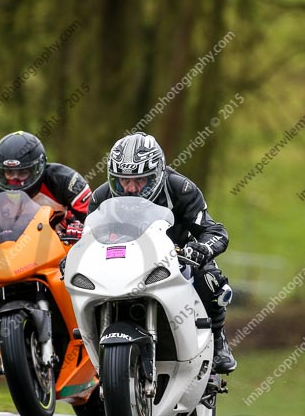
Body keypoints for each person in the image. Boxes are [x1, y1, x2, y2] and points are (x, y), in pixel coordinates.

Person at [88, 133, 237, 374]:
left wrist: (201, 249)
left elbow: (214, 231)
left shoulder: (181, 189)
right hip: (120, 262)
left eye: (140, 180)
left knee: (210, 278)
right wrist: (72, 256)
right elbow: (87, 237)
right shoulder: (101, 197)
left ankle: (218, 339)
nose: (130, 188)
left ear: (156, 174)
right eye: (123, 180)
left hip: (175, 259)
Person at [0, 131, 92, 275]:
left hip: (63, 255)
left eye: (22, 172)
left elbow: (94, 219)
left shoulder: (66, 181)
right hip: (9, 259)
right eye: (9, 172)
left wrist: (81, 227)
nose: (15, 179)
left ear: (38, 168)